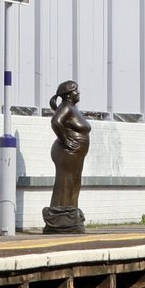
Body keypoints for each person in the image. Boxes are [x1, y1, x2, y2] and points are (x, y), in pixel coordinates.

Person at [45, 80, 91, 233]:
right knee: (66, 182)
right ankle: (60, 218)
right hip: (67, 152)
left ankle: (70, 214)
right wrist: (66, 140)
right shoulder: (66, 107)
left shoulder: (73, 108)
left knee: (74, 182)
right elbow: (56, 122)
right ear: (68, 95)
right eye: (76, 91)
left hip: (76, 152)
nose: (78, 93)